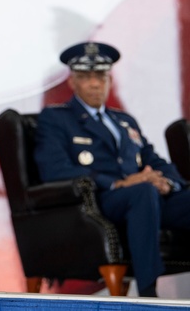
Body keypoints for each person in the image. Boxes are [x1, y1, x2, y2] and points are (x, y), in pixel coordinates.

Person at [34, 41, 190, 297]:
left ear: (109, 80)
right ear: (73, 82)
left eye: (101, 76)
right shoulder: (56, 119)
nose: (95, 83)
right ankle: (149, 294)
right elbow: (55, 171)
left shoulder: (124, 121)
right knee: (142, 193)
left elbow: (154, 160)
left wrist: (166, 182)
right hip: (100, 201)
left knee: (174, 196)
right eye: (86, 77)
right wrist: (117, 183)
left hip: (146, 198)